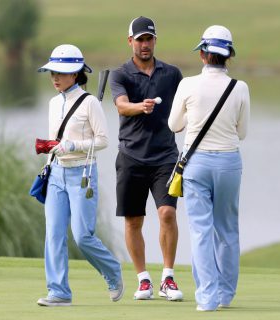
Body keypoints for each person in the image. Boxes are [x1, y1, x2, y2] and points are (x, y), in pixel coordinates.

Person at [168, 25, 250, 311]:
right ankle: (226, 294)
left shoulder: (187, 85)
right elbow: (242, 132)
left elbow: (173, 125)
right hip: (229, 162)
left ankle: (207, 297)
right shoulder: (240, 87)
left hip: (196, 163)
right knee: (227, 230)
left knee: (201, 231)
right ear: (228, 56)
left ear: (203, 54)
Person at [36, 44, 124, 307]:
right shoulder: (53, 103)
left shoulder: (90, 103)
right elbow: (57, 138)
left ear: (75, 74)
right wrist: (52, 150)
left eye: (61, 73)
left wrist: (75, 145)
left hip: (82, 174)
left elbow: (103, 140)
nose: (55, 78)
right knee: (53, 234)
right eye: (53, 73)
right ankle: (59, 291)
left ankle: (112, 272)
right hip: (56, 174)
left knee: (83, 236)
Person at [109, 16, 183, 301]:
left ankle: (168, 277)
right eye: (139, 39)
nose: (144, 44)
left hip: (165, 156)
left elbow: (186, 106)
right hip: (131, 156)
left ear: (155, 41)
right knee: (133, 220)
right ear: (130, 42)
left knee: (167, 213)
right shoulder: (120, 74)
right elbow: (122, 106)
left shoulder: (172, 73)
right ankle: (143, 279)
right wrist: (141, 107)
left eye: (148, 39)